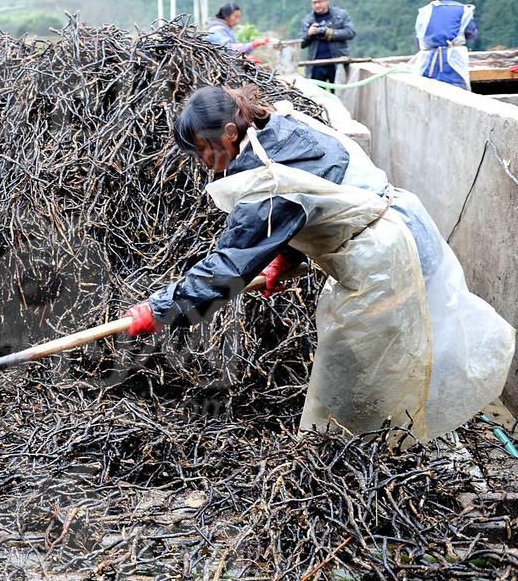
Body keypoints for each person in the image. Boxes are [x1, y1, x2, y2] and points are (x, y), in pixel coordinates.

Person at [123, 85, 514, 443]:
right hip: (401, 227)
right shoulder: (280, 125)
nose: (203, 162)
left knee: (369, 366)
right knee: (406, 352)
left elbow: (229, 265)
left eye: (203, 149)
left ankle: (379, 451)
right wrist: (285, 258)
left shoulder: (267, 178)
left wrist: (161, 308)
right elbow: (315, 198)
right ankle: (406, 440)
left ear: (228, 132)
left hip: (385, 260)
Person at [412, 0, 477, 90]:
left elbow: (418, 40)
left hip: (428, 63)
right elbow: (471, 33)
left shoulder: (424, 12)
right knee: (458, 91)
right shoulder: (464, 10)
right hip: (454, 60)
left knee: (428, 90)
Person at [299, 0, 355, 85]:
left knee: (339, 91)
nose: (317, 5)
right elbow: (301, 43)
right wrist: (309, 33)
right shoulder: (308, 20)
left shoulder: (340, 15)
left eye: (320, 2)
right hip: (316, 64)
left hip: (338, 62)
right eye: (314, 3)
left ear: (327, 0)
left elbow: (350, 32)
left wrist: (330, 33)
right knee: (316, 92)